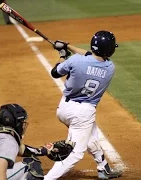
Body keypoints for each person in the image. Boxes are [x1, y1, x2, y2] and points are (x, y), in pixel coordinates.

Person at [44, 30, 123, 180]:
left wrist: (63, 54)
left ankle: (103, 168)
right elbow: (90, 56)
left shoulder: (75, 61)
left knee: (91, 136)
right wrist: (67, 46)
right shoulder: (110, 68)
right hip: (83, 112)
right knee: (75, 153)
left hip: (64, 109)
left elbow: (55, 72)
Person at [0, 103, 62, 180]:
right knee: (32, 165)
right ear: (16, 123)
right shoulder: (8, 140)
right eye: (21, 122)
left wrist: (44, 151)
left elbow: (21, 150)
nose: (22, 125)